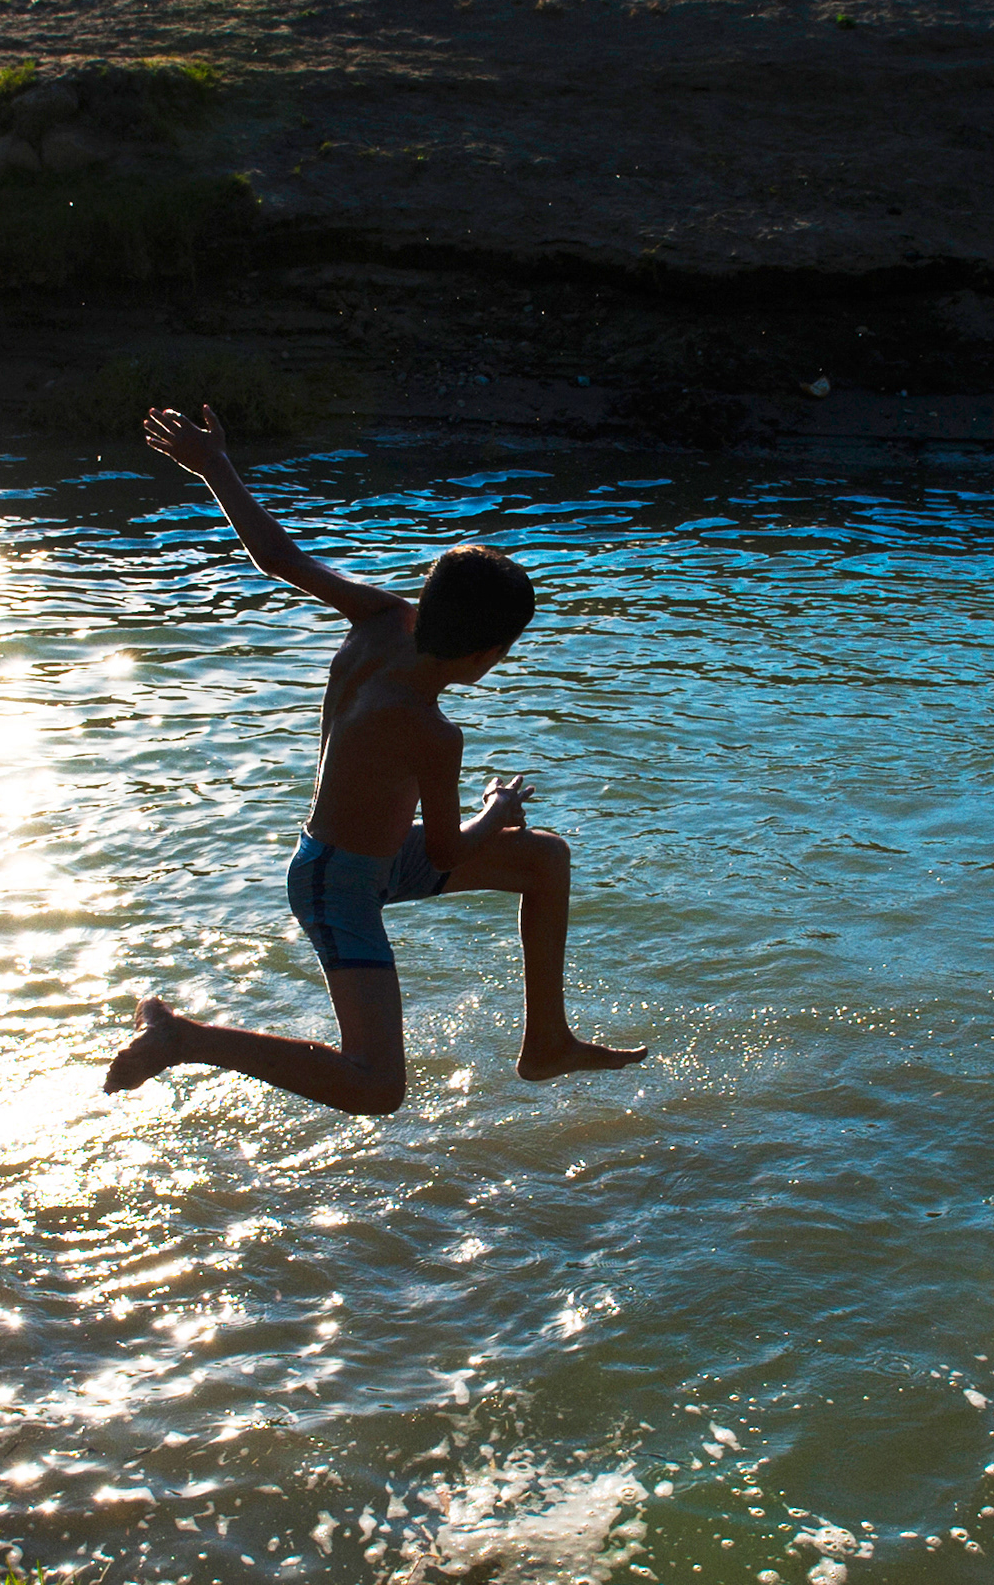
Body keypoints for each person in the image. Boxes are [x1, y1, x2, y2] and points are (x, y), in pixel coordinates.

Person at [103, 403, 645, 1115]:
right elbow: (450, 850)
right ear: (486, 656)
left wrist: (216, 467)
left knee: (544, 860)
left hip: (369, 857)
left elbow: (280, 557)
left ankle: (546, 1039)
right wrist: (498, 810)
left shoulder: (384, 619)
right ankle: (186, 1038)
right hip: (338, 885)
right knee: (378, 1085)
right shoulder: (430, 732)